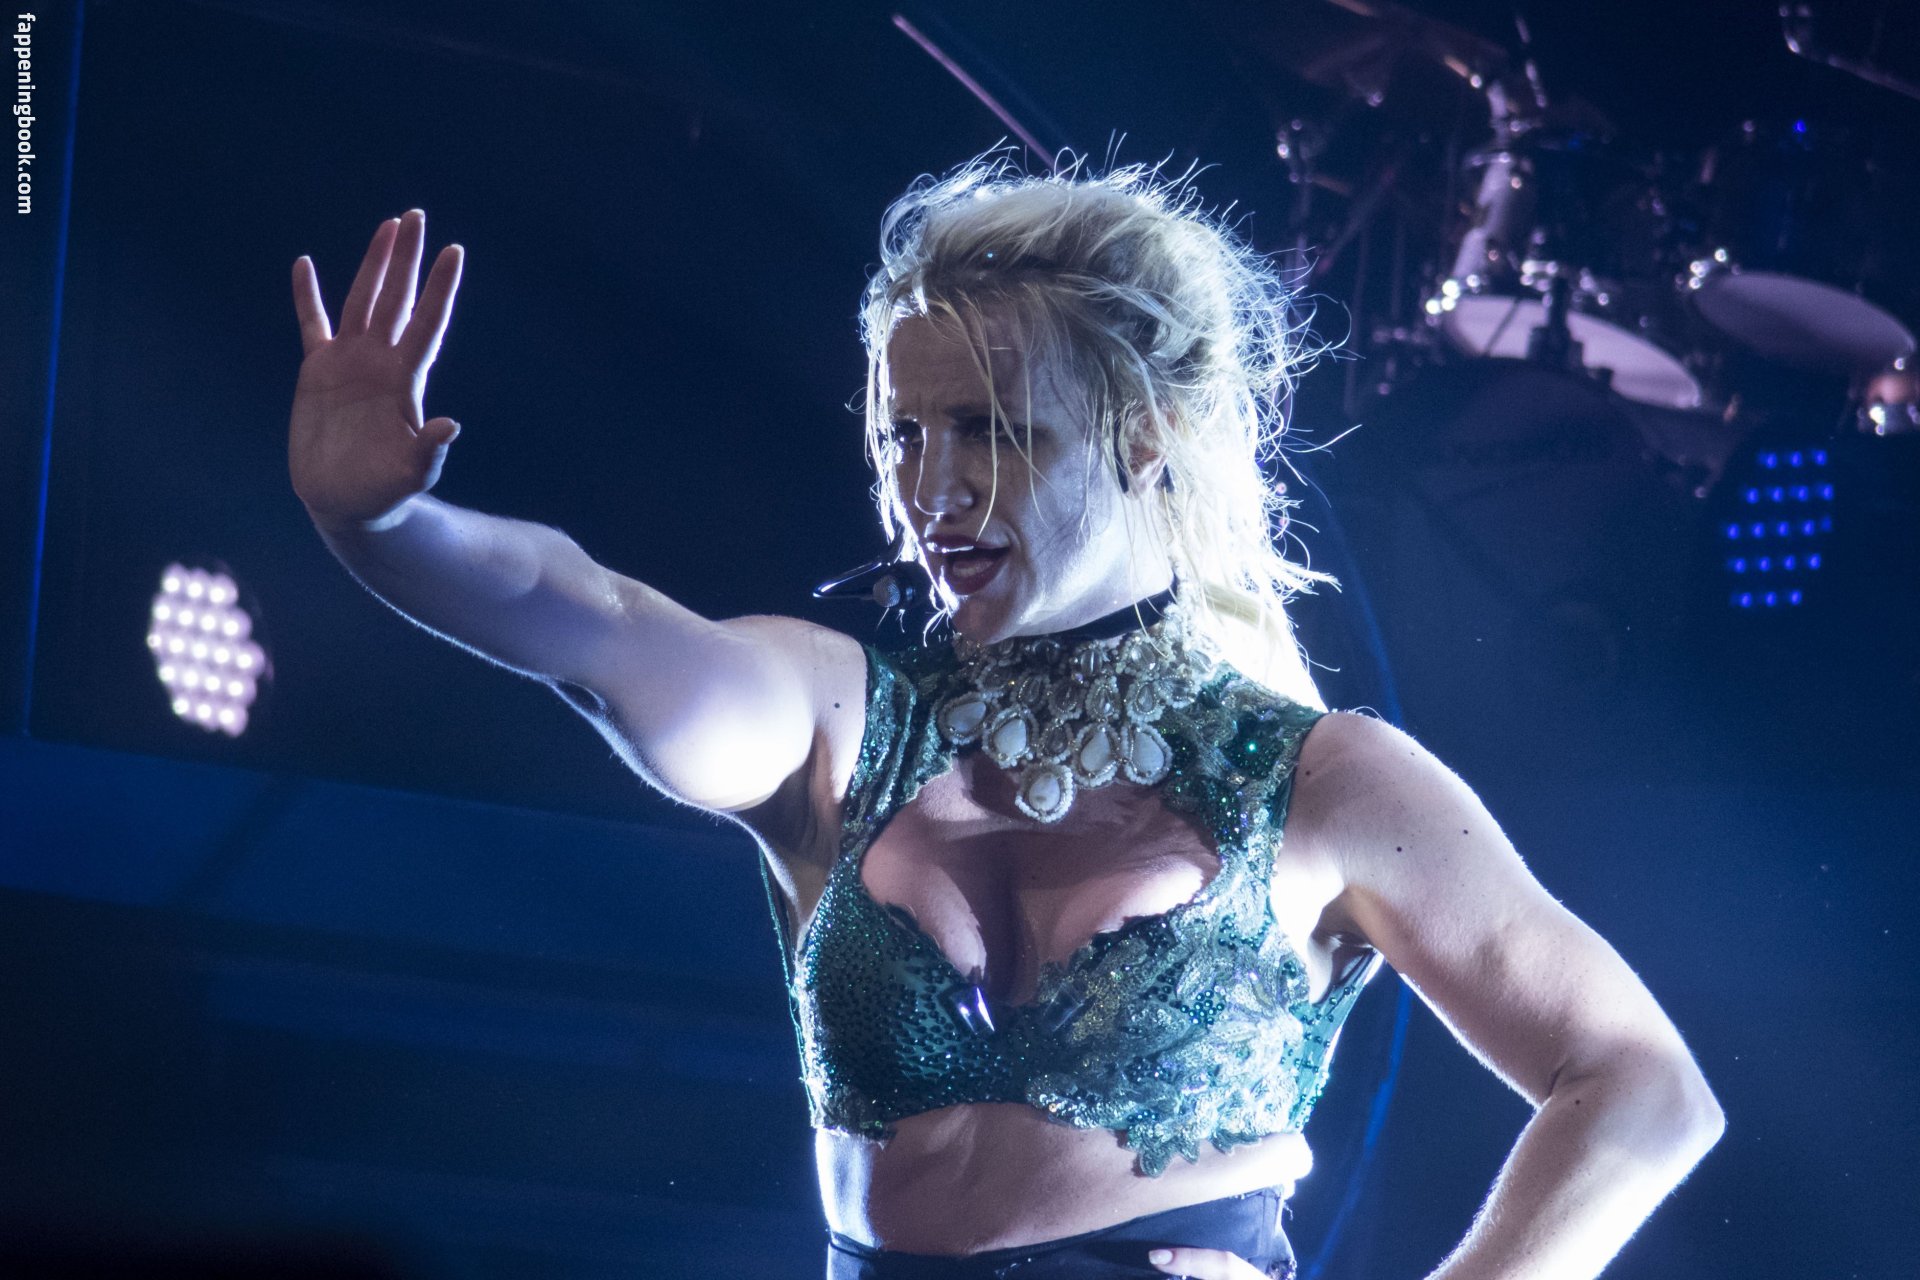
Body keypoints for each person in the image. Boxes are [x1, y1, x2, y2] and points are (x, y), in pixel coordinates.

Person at [287, 155, 1724, 1280]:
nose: (933, 490)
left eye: (993, 430)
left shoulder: (1321, 782)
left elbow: (1643, 1088)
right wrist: (392, 525)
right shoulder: (842, 719)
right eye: (905, 434)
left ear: (1146, 434)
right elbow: (596, 624)